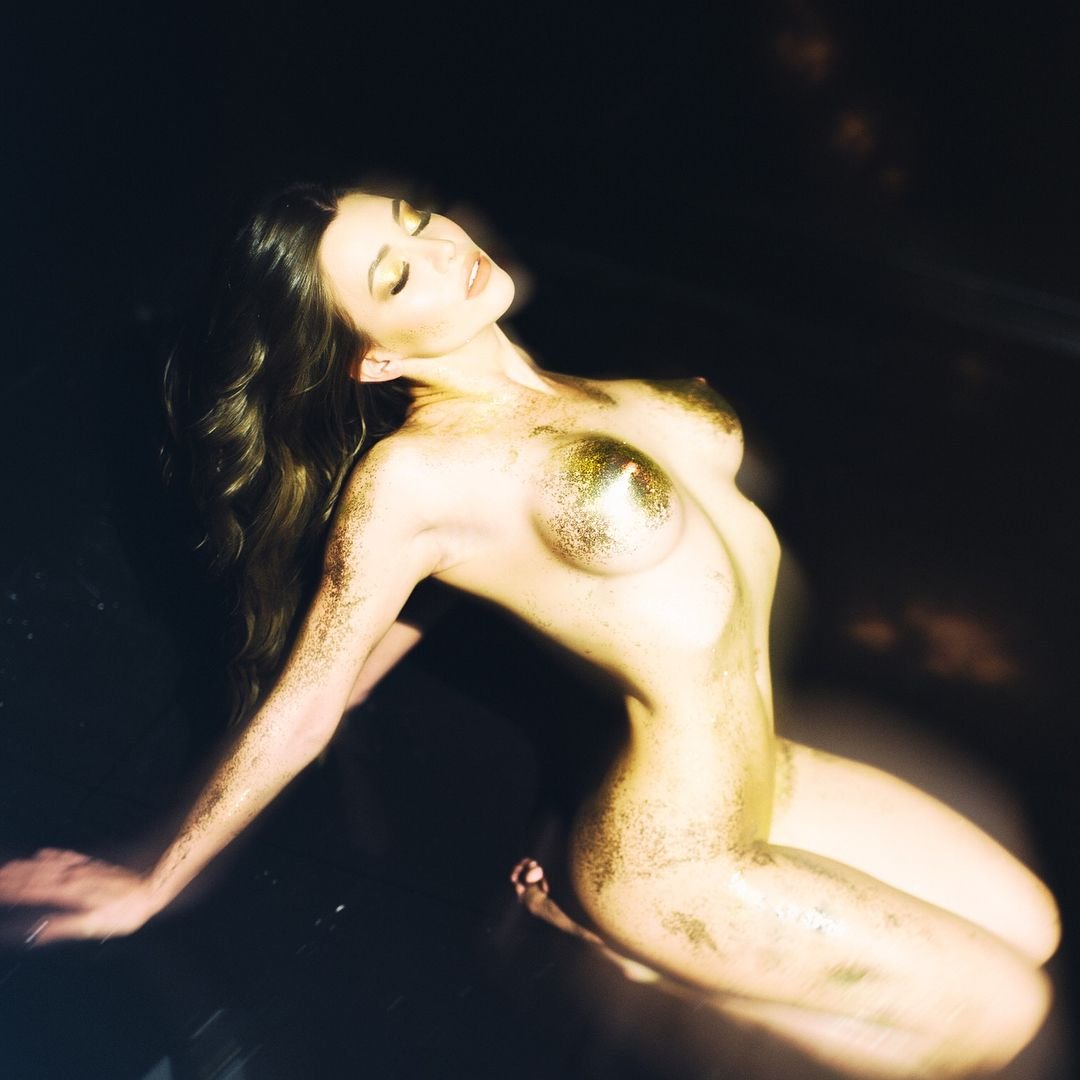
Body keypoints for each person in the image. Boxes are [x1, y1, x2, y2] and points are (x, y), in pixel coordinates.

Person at [0, 184, 1060, 1078]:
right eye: (395, 278)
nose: (442, 250)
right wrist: (154, 876)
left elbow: (419, 622)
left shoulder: (578, 388)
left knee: (1038, 925)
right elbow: (309, 698)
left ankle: (659, 961)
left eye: (416, 221)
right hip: (670, 853)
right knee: (1006, 1015)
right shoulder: (415, 478)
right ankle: (648, 969)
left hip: (762, 771)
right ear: (371, 360)